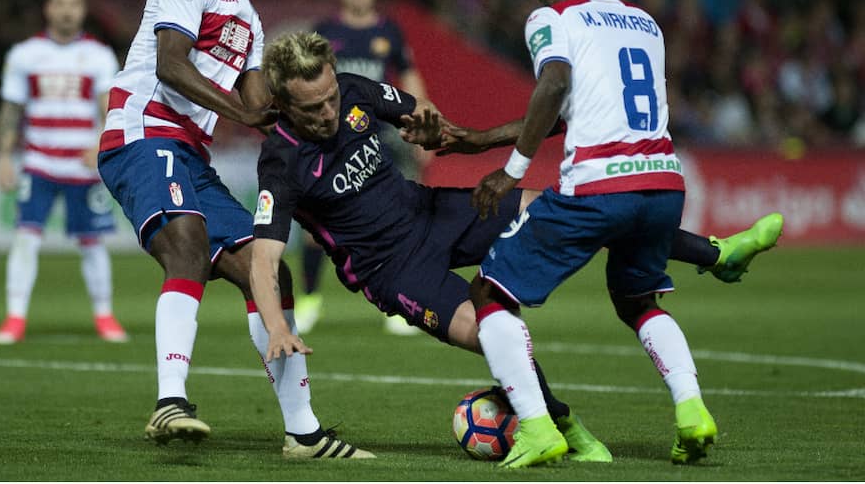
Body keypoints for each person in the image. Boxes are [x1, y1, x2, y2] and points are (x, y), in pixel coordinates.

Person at [245, 31, 781, 463]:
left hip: (432, 212)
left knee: (566, 211)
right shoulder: (281, 162)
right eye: (313, 108)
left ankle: (715, 254)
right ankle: (563, 423)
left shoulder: (355, 91)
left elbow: (422, 118)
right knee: (489, 332)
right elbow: (265, 260)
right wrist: (276, 327)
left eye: (332, 98)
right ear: (286, 105)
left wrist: (430, 126)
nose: (330, 113)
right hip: (392, 269)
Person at [446, 0, 781, 468]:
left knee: (488, 291)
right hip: (664, 183)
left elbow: (554, 85)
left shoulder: (549, 17)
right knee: (638, 302)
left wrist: (511, 171)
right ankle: (692, 410)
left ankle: (536, 426)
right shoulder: (645, 23)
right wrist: (485, 138)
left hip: (598, 185)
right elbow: (582, 107)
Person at [97, 0, 372, 459]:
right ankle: (170, 400)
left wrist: (322, 139)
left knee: (269, 275)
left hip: (190, 155)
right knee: (187, 245)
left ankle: (304, 433)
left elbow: (260, 108)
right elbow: (171, 65)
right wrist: (242, 112)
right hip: (143, 130)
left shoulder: (247, 18)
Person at [294, 0, 430, 336]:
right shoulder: (326, 32)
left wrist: (420, 121)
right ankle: (308, 299)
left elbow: (408, 74)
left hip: (383, 138)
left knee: (400, 219)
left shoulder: (389, 31)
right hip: (334, 138)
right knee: (316, 224)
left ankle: (398, 304)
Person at [0, 0, 128, 345]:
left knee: (92, 242)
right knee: (26, 237)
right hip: (38, 162)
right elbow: (11, 110)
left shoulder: (99, 55)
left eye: (74, 3)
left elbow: (107, 107)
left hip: (82, 165)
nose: (67, 10)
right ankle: (15, 318)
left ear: (82, 10)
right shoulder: (24, 54)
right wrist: (5, 157)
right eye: (60, 2)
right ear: (48, 8)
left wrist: (100, 143)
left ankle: (104, 316)